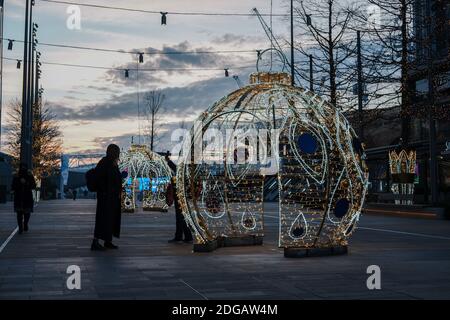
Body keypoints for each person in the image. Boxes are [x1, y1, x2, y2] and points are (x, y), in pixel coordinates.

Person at [91, 144, 123, 251]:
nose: (118, 154)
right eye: (116, 152)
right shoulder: (105, 163)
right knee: (102, 219)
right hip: (106, 197)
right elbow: (100, 178)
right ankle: (95, 242)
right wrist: (104, 191)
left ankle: (107, 241)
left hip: (112, 197)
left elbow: (114, 178)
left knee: (110, 219)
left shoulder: (113, 163)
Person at [165, 152, 193, 244]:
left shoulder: (185, 166)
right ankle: (182, 236)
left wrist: (169, 161)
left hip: (180, 194)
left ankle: (183, 237)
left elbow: (177, 171)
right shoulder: (187, 165)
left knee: (181, 216)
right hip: (181, 194)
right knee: (182, 216)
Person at [11, 163, 37, 234]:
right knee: (19, 213)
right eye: (22, 167)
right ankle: (20, 227)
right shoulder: (16, 176)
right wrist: (19, 183)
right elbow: (13, 186)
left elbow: (33, 185)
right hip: (19, 197)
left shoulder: (29, 176)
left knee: (27, 213)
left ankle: (25, 224)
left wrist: (26, 183)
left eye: (24, 167)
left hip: (27, 197)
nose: (23, 169)